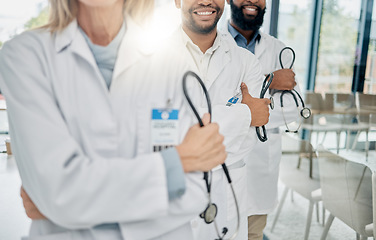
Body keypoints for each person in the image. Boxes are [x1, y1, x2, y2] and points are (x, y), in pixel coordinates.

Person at [0, 0, 227, 239]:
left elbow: (195, 192)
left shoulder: (172, 64)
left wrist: (74, 207)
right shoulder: (25, 56)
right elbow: (59, 192)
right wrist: (178, 162)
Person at [173, 0, 271, 239]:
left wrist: (188, 128)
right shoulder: (151, 60)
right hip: (175, 192)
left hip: (229, 191)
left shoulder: (247, 63)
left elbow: (247, 141)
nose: (206, 1)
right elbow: (160, 136)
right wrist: (245, 114)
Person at [223, 0, 303, 239]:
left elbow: (294, 109)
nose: (252, 1)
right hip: (218, 167)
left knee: (252, 233)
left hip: (259, 173)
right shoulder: (212, 42)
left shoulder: (279, 50)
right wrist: (269, 81)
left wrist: (239, 110)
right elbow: (204, 103)